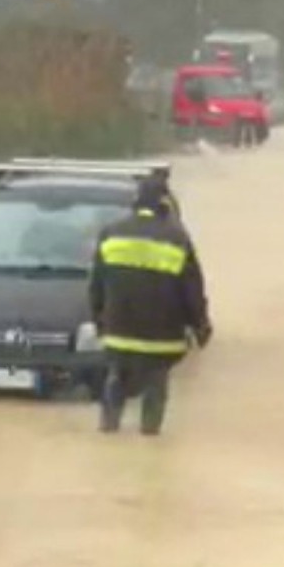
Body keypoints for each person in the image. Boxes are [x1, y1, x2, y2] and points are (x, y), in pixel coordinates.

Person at [89, 177, 212, 436]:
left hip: (118, 332)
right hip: (161, 337)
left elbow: (96, 285)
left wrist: (99, 322)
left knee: (117, 378)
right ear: (164, 203)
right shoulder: (177, 239)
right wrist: (201, 327)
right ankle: (149, 433)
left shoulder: (110, 233)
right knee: (156, 385)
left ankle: (108, 428)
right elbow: (192, 291)